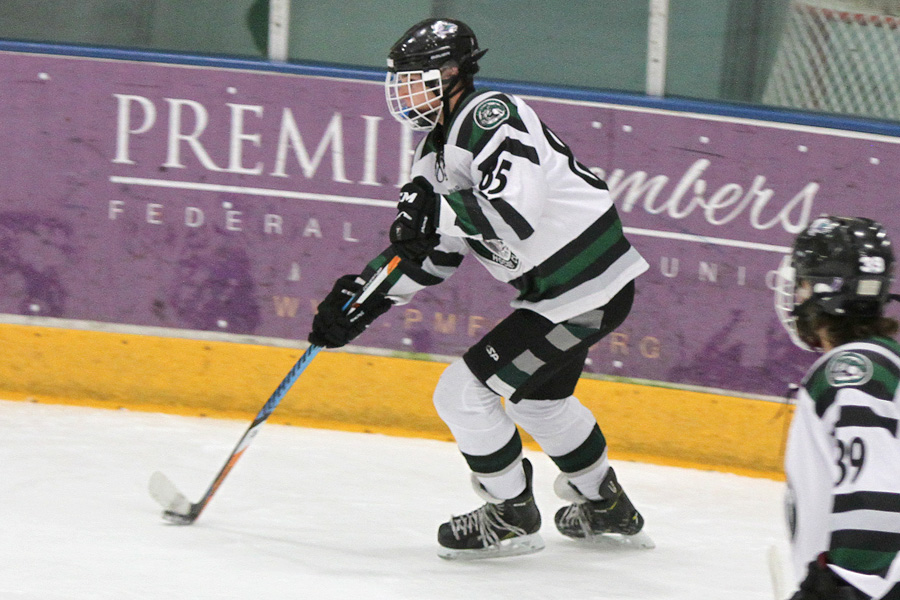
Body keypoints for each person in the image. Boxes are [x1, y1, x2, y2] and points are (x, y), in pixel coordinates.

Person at [310, 17, 651, 559]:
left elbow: (516, 213)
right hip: (569, 294)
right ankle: (606, 505)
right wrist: (363, 298)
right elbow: (432, 253)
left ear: (451, 73)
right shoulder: (433, 156)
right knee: (540, 404)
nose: (402, 90)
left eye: (413, 78)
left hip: (583, 289)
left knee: (463, 393)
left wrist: (437, 210)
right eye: (399, 79)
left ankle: (511, 515)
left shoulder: (490, 116)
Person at [774, 215, 900, 599]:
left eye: (803, 283)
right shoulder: (881, 364)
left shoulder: (850, 373)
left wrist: (846, 588)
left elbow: (875, 502)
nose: (798, 294)